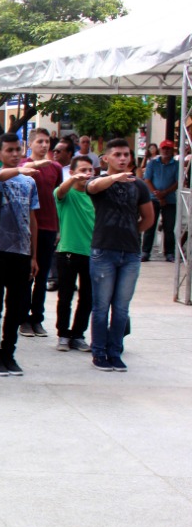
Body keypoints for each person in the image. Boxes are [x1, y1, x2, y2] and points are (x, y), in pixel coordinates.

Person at [87, 139, 154, 371]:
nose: (123, 158)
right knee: (101, 306)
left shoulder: (139, 185)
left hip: (130, 253)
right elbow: (93, 188)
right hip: (103, 251)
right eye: (117, 154)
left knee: (122, 307)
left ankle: (115, 351)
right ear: (106, 158)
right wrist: (115, 178)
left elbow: (148, 217)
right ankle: (99, 352)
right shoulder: (98, 181)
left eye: (126, 154)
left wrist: (132, 232)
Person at [0, 134, 40, 377]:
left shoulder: (29, 182)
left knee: (16, 306)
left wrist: (34, 255)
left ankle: (9, 352)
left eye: (18, 150)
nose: (14, 154)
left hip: (21, 251)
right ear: (0, 153)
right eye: (9, 150)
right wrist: (19, 169)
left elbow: (33, 217)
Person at [19, 129, 62, 338]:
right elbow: (20, 172)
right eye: (40, 142)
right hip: (27, 228)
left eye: (47, 142)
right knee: (27, 274)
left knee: (42, 276)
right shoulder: (24, 166)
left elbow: (59, 198)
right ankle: (23, 318)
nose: (44, 145)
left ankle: (37, 318)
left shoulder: (56, 168)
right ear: (30, 144)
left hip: (49, 227)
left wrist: (59, 228)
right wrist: (34, 166)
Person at [54, 156, 96, 353]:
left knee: (87, 297)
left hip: (93, 253)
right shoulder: (66, 194)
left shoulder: (95, 195)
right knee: (65, 296)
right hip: (68, 252)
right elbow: (61, 191)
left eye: (90, 170)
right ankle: (63, 334)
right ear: (71, 173)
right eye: (82, 170)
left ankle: (78, 334)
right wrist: (72, 179)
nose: (86, 174)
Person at [142, 139, 179, 262]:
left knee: (169, 227)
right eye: (164, 148)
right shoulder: (152, 163)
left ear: (172, 150)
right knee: (150, 225)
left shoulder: (176, 164)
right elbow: (147, 180)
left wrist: (165, 194)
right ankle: (146, 252)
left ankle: (169, 253)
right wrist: (157, 195)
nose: (166, 150)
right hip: (153, 198)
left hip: (170, 199)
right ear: (160, 149)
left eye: (168, 148)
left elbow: (178, 182)